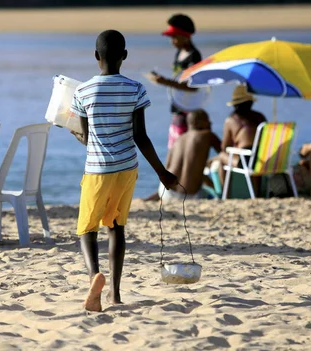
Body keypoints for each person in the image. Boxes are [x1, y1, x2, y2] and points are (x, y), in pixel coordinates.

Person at [70, 30, 177, 312]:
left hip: (97, 170)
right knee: (116, 227)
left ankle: (94, 277)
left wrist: (71, 131)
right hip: (127, 169)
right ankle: (115, 295)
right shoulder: (136, 89)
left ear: (96, 56)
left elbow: (86, 138)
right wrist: (162, 172)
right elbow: (141, 136)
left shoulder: (81, 91)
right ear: (124, 56)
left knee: (87, 230)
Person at [146, 13, 202, 149]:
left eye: (174, 37)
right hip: (177, 108)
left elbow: (194, 86)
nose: (172, 41)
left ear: (185, 36)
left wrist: (166, 82)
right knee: (174, 147)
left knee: (182, 148)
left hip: (188, 109)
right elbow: (179, 78)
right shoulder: (179, 53)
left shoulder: (194, 56)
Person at [145, 109, 221, 201]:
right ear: (196, 122)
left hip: (165, 192)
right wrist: (213, 160)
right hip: (188, 196)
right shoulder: (208, 135)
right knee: (212, 194)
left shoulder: (178, 139)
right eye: (207, 120)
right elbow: (225, 152)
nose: (210, 123)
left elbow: (167, 166)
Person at [217, 86, 266, 189]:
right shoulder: (260, 117)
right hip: (265, 160)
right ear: (251, 103)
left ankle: (225, 193)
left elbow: (224, 147)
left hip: (248, 161)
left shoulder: (231, 120)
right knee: (254, 155)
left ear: (235, 105)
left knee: (221, 156)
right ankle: (256, 193)